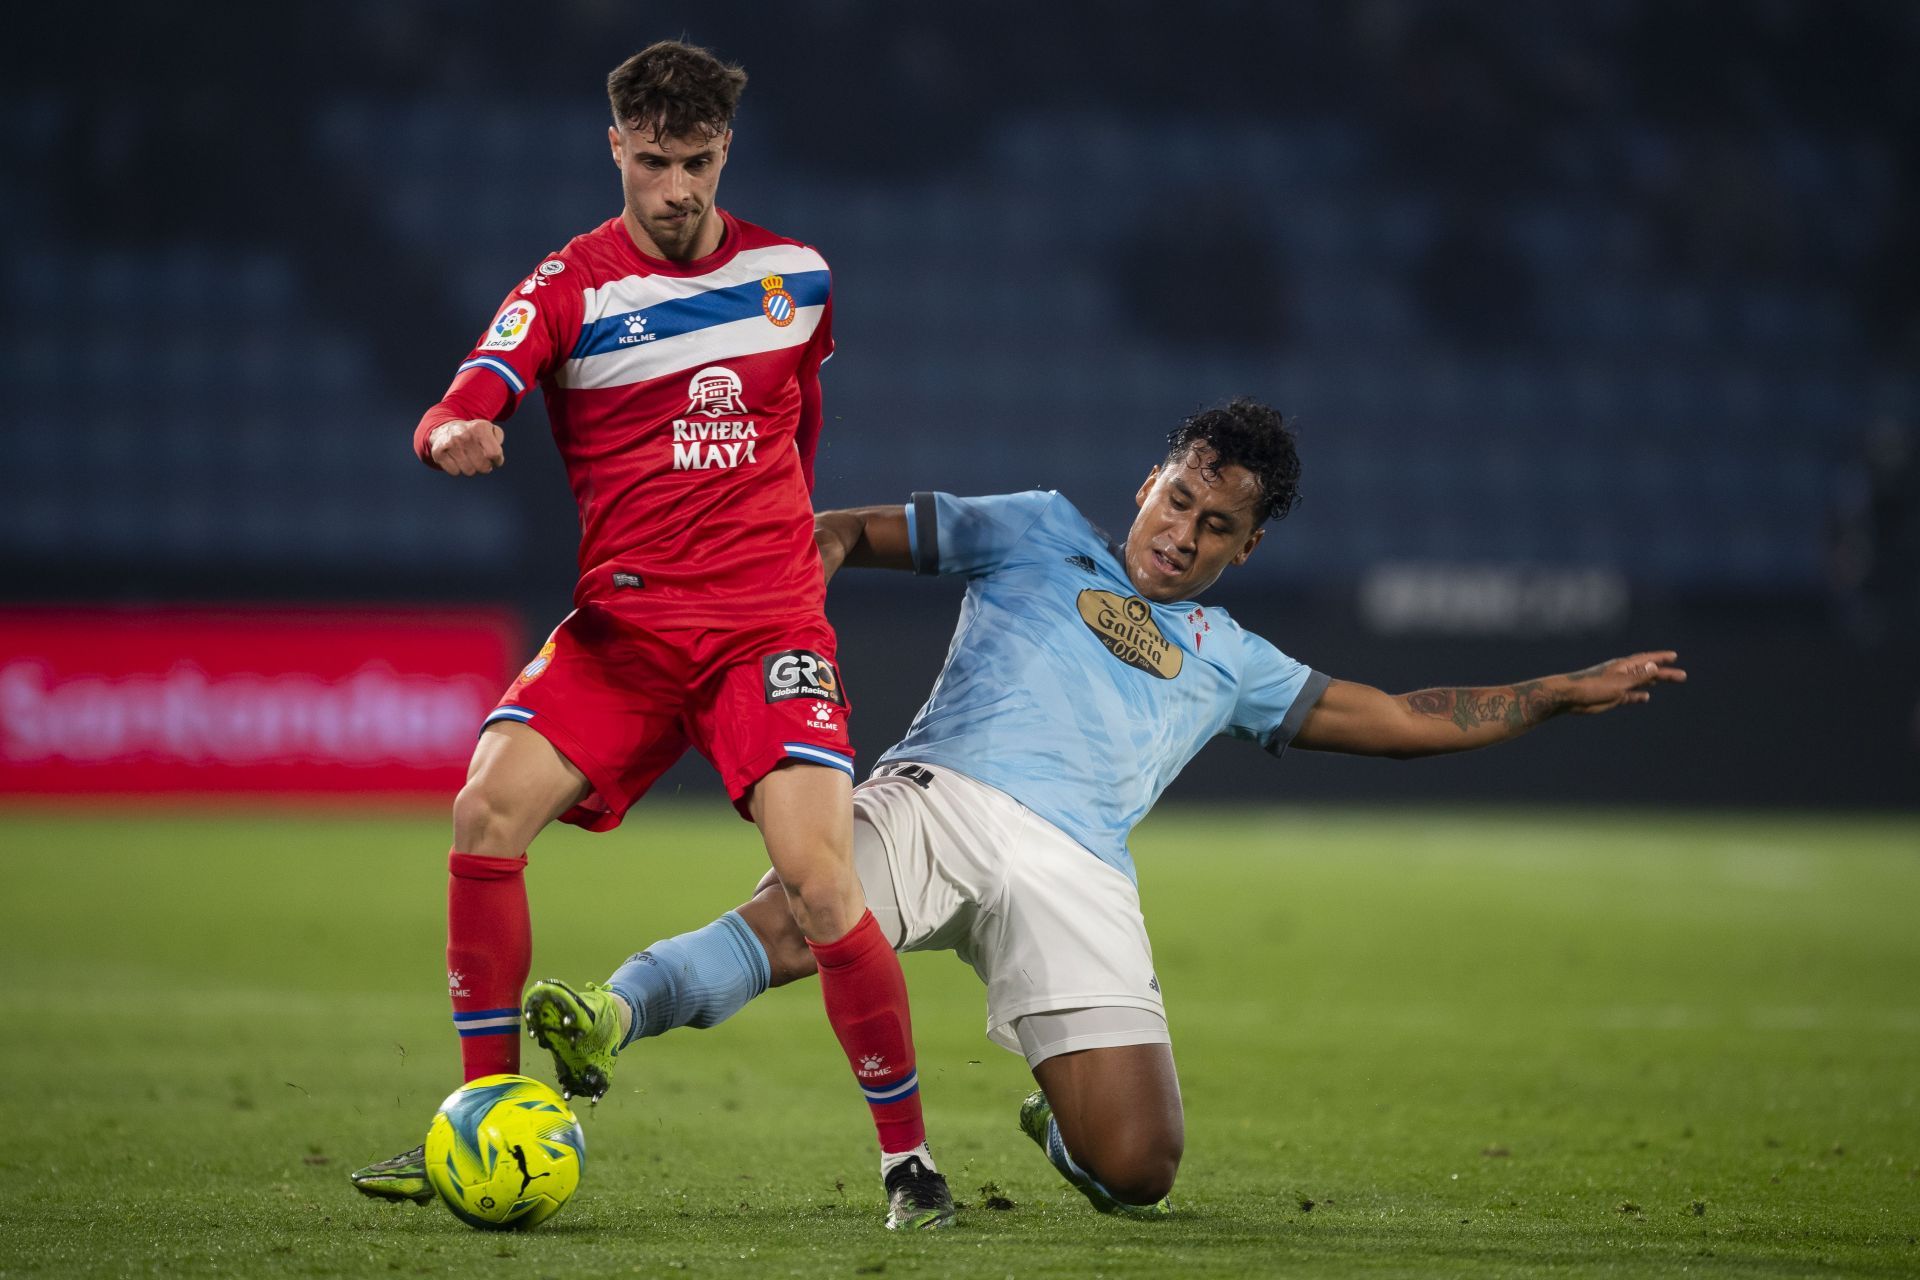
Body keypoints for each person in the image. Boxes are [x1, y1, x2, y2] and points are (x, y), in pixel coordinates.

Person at [525, 398, 1686, 1217]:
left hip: (1079, 872)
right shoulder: (1034, 526)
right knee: (796, 916)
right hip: (945, 796)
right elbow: (844, 531)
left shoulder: (1232, 657)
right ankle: (609, 1014)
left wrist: (1560, 693)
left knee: (1141, 1169)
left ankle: (1061, 1129)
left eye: (1215, 525)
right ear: (1150, 480)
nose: (1180, 533)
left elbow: (1399, 717)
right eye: (1177, 499)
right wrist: (790, 595)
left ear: (1249, 542)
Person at [348, 41, 952, 1231]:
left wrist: (784, 555)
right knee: (485, 808)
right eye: (656, 161)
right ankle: (485, 1115)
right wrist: (447, 434)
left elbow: (800, 421)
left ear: (727, 150)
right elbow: (472, 385)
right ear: (616, 146)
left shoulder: (798, 277)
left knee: (822, 879)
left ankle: (909, 1163)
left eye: (700, 161)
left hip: (764, 630)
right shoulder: (568, 284)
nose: (678, 188)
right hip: (625, 628)